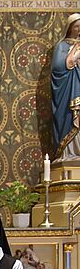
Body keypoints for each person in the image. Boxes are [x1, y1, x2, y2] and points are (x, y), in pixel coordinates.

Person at [52, 12, 80, 160]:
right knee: (72, 117)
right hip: (69, 89)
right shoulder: (62, 46)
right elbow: (57, 68)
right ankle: (69, 153)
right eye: (76, 27)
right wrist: (73, 58)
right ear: (70, 28)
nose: (79, 30)